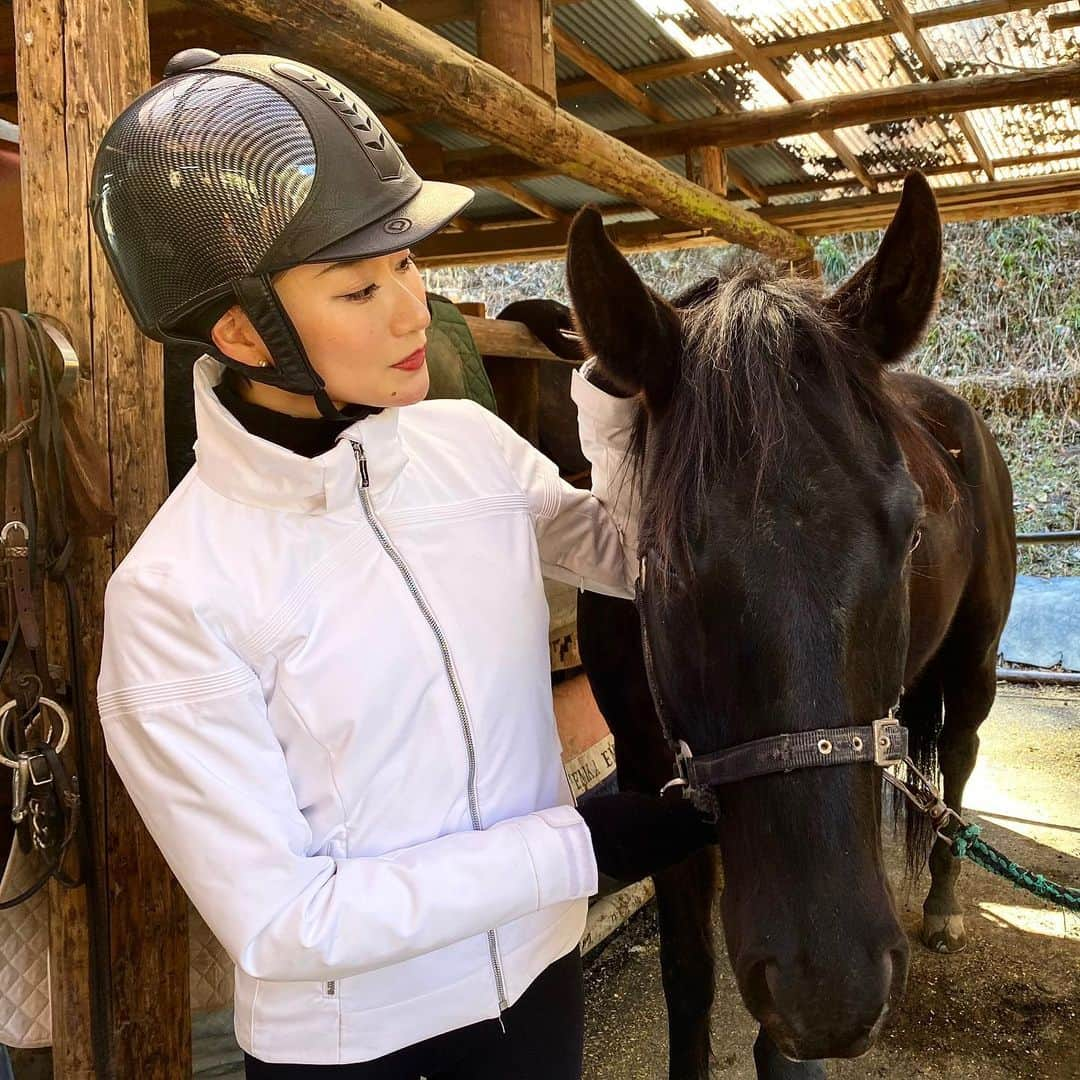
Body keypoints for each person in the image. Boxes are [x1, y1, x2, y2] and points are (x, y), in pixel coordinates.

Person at [90, 51, 715, 1078]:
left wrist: (615, 393)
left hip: (540, 978)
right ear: (246, 331)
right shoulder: (175, 597)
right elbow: (285, 919)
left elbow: (641, 559)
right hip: (363, 1045)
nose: (413, 310)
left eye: (410, 264)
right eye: (360, 285)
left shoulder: (465, 446)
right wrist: (577, 849)